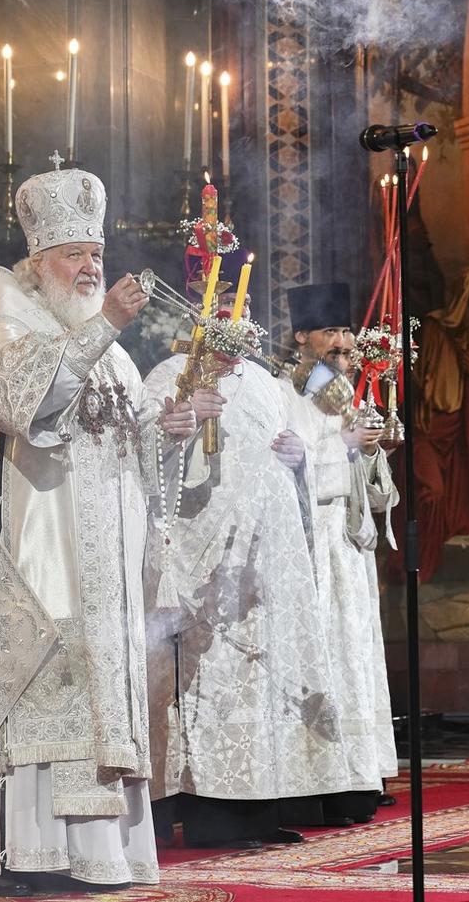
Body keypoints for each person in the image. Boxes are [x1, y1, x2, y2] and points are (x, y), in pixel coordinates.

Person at [0, 163, 221, 895]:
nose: (92, 268)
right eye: (75, 255)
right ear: (38, 262)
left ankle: (99, 854)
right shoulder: (7, 320)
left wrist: (172, 431)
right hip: (36, 563)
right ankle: (27, 855)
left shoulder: (110, 347)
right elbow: (21, 400)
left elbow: (133, 444)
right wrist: (108, 322)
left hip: (106, 579)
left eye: (97, 254)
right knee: (42, 703)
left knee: (102, 705)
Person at [140, 283, 352, 849]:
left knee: (254, 684)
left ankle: (249, 812)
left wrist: (298, 458)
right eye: (224, 316)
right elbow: (141, 463)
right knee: (191, 690)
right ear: (200, 321)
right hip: (194, 568)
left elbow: (301, 448)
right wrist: (175, 428)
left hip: (259, 565)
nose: (238, 328)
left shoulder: (264, 382)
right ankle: (190, 812)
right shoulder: (168, 377)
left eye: (244, 316)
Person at [279, 282, 399, 827]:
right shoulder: (287, 390)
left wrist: (370, 453)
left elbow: (376, 494)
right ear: (302, 336)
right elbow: (287, 463)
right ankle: (322, 781)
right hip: (312, 549)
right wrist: (343, 449)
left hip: (348, 550)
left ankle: (360, 774)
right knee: (324, 655)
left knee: (355, 657)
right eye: (331, 332)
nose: (342, 343)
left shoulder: (344, 392)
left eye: (346, 333)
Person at [409, 267, 469, 577]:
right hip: (428, 431)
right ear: (465, 297)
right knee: (431, 493)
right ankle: (420, 570)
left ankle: (434, 572)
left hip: (457, 439)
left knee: (460, 514)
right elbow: (419, 379)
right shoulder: (435, 328)